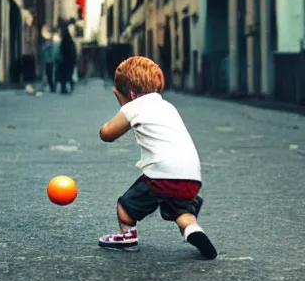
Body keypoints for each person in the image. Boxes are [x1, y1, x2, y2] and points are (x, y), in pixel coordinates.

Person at [97, 56, 217, 259]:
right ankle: (193, 231)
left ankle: (127, 236)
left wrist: (123, 104)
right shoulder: (167, 106)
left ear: (131, 93)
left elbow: (106, 134)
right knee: (182, 212)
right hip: (191, 176)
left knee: (125, 205)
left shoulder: (133, 106)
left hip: (161, 174)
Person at [58, 23, 77, 94]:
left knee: (65, 75)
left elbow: (63, 51)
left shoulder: (64, 41)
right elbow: (73, 51)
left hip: (65, 61)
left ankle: (64, 88)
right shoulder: (70, 41)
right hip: (69, 61)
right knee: (68, 75)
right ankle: (67, 87)